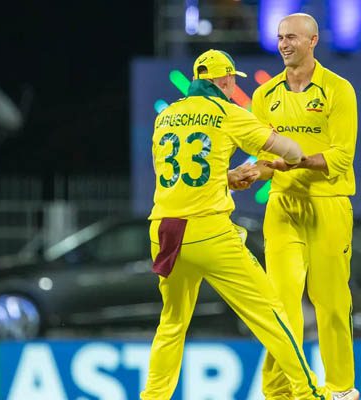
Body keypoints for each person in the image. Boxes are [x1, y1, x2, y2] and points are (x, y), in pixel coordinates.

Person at [141, 49, 330, 400]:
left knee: (172, 325)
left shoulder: (166, 115)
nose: (232, 87)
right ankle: (309, 393)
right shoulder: (227, 112)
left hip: (164, 231)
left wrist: (225, 177)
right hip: (208, 232)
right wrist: (295, 159)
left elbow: (174, 174)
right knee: (271, 314)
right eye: (231, 81)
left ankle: (153, 397)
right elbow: (287, 149)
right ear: (225, 79)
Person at [229, 13, 359, 400]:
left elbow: (341, 158)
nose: (284, 44)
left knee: (331, 303)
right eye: (280, 38)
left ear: (313, 41)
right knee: (280, 303)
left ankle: (341, 389)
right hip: (283, 207)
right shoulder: (265, 95)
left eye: (292, 38)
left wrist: (297, 161)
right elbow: (267, 160)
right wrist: (250, 174)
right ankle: (279, 392)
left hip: (328, 204)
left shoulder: (338, 90)